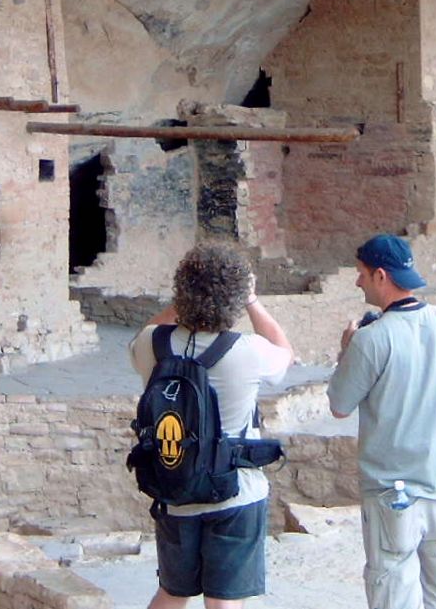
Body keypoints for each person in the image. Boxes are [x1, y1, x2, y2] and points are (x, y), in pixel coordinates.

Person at [129, 241, 294, 609]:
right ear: (234, 298)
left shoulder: (151, 346)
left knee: (172, 592)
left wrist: (184, 298)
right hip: (235, 491)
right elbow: (286, 354)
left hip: (175, 486)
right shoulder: (247, 351)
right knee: (224, 602)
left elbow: (151, 329)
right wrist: (252, 300)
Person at [328, 233, 436, 609]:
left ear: (380, 275)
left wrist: (347, 352)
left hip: (392, 488)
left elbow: (340, 405)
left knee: (392, 587)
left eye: (361, 274)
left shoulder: (372, 339)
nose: (358, 282)